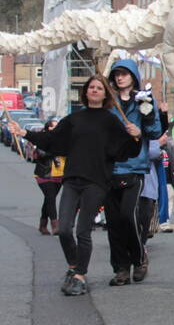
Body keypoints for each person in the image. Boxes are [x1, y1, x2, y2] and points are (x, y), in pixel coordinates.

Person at [10, 76, 142, 296]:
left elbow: (127, 150)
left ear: (105, 94)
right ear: (85, 92)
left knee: (82, 231)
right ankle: (73, 266)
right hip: (72, 179)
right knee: (63, 229)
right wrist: (24, 133)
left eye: (99, 88)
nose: (94, 90)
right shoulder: (75, 119)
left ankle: (80, 275)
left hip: (96, 182)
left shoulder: (111, 121)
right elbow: (51, 139)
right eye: (91, 87)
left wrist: (137, 137)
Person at [104, 58, 162, 286]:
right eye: (117, 74)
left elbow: (156, 131)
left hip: (135, 167)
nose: (120, 78)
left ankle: (139, 259)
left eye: (124, 74)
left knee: (129, 216)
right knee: (114, 222)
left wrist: (143, 124)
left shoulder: (144, 100)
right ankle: (120, 268)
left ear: (133, 76)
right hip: (110, 168)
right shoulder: (109, 103)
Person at [32, 118, 64, 234]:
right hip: (44, 174)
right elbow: (41, 153)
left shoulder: (62, 138)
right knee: (50, 198)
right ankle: (55, 225)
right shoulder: (42, 138)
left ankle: (42, 225)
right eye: (52, 126)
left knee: (48, 199)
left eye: (56, 126)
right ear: (47, 128)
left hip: (59, 174)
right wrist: (55, 150)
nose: (55, 128)